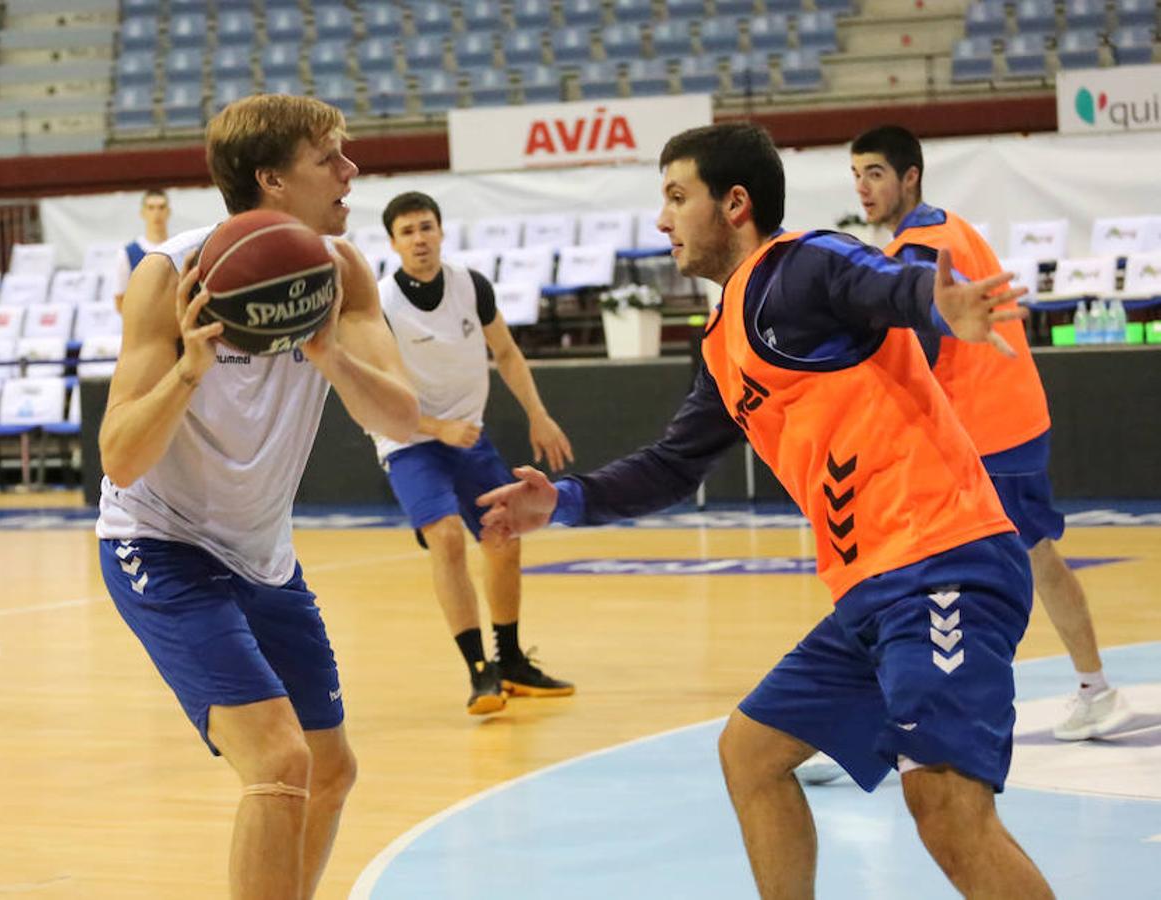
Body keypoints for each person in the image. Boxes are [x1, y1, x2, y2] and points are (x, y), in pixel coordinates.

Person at [479, 123, 1054, 899]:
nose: (662, 221)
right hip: (871, 591)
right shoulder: (723, 340)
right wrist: (567, 499)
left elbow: (882, 284)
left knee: (946, 808)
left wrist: (936, 303)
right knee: (749, 754)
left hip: (941, 561)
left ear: (736, 204)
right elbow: (674, 463)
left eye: (678, 198)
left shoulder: (804, 262)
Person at [95, 94, 418, 899]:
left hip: (262, 553)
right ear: (271, 179)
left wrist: (329, 354)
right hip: (158, 543)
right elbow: (121, 459)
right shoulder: (169, 274)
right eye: (329, 160)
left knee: (331, 769)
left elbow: (402, 416)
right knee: (279, 763)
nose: (351, 172)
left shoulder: (342, 270)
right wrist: (189, 368)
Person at [850, 124, 1131, 741]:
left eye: (875, 173)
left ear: (909, 177)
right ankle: (1094, 687)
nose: (864, 187)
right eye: (856, 175)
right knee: (1032, 557)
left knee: (912, 572)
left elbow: (916, 347)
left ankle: (900, 721)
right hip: (1011, 421)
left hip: (980, 432)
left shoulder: (921, 249)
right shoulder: (949, 226)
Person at [373, 190, 576, 715]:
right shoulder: (380, 304)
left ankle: (509, 661)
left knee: (503, 534)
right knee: (445, 538)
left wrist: (538, 413)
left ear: (440, 231)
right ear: (393, 244)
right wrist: (433, 426)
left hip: (466, 435)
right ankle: (478, 672)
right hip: (410, 439)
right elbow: (370, 395)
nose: (419, 239)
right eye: (408, 232)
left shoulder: (470, 286)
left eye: (426, 227)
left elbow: (506, 353)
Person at [112, 188, 171, 312]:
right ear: (142, 213)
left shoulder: (179, 248)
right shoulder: (127, 254)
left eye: (161, 207)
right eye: (151, 207)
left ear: (168, 211)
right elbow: (120, 301)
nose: (156, 213)